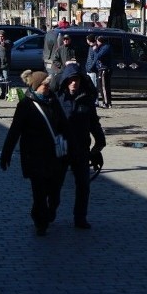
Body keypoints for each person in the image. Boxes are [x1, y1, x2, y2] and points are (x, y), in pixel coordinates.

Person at [0, 70, 70, 236]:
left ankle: (48, 210)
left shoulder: (53, 101)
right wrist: (6, 154)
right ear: (36, 86)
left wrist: (71, 148)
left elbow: (64, 126)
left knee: (54, 191)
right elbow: (14, 131)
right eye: (44, 85)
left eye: (48, 85)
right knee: (39, 193)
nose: (47, 88)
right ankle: (41, 222)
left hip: (54, 155)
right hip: (34, 156)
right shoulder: (25, 105)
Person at [56, 63, 106, 229]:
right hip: (62, 149)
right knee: (55, 184)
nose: (73, 83)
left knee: (83, 185)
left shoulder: (86, 99)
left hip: (81, 148)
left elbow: (94, 122)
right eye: (70, 80)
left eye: (76, 79)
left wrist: (100, 142)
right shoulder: (58, 99)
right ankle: (49, 212)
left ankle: (80, 217)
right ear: (65, 81)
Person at [93, 36, 112, 109]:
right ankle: (107, 102)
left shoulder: (106, 47)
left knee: (104, 87)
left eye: (97, 41)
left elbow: (98, 56)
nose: (96, 43)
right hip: (102, 68)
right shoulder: (102, 47)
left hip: (104, 69)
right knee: (102, 86)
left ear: (100, 41)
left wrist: (95, 50)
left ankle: (106, 103)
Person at [84, 35, 99, 100]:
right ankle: (91, 99)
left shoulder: (95, 48)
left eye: (87, 39)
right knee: (89, 86)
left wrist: (91, 67)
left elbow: (95, 59)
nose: (86, 41)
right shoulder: (90, 47)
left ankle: (95, 100)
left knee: (94, 86)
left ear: (89, 40)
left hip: (93, 71)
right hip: (89, 70)